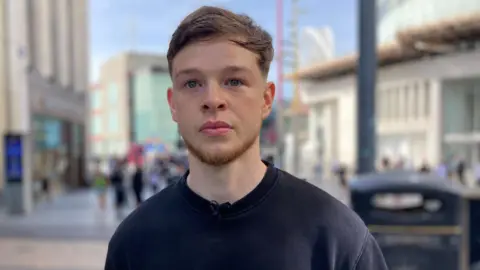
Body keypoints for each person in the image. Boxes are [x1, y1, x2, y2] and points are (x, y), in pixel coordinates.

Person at [105, 6, 387, 270]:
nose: (213, 100)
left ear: (266, 100)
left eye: (234, 81)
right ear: (173, 104)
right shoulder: (134, 243)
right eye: (192, 83)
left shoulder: (336, 236)